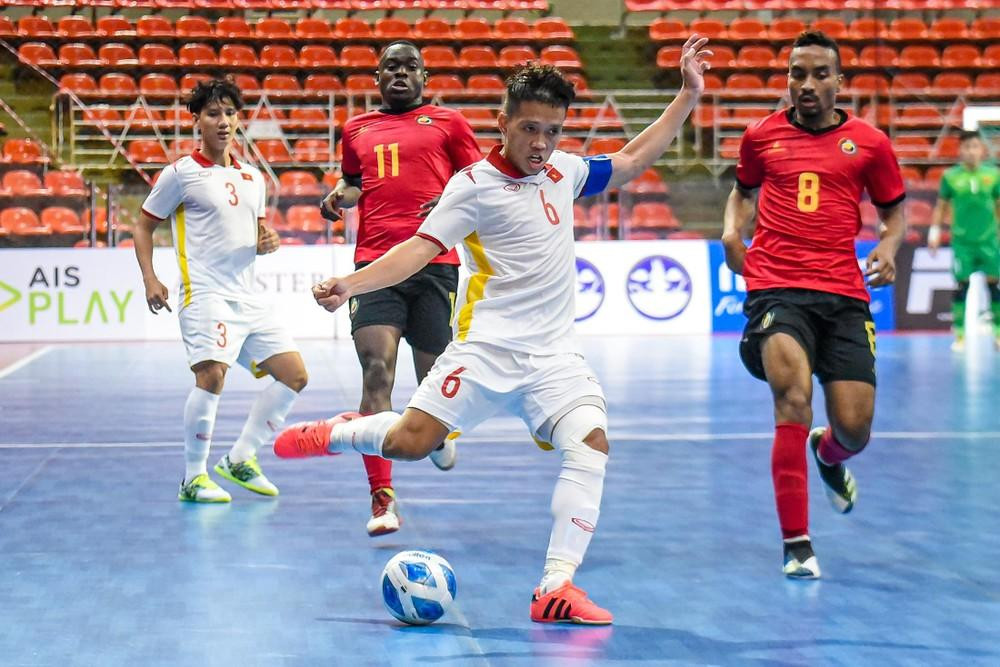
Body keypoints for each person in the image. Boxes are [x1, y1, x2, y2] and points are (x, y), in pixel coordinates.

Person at [272, 36, 710, 624]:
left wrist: (687, 95)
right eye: (529, 129)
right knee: (409, 444)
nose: (541, 144)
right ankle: (339, 432)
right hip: (484, 353)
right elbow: (418, 251)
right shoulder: (472, 187)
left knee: (591, 445)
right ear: (502, 124)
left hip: (554, 360)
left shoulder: (563, 171)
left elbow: (630, 161)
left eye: (553, 131)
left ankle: (555, 587)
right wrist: (351, 285)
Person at [721, 31, 906, 579]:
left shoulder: (870, 143)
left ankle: (828, 453)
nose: (806, 84)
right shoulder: (760, 136)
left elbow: (894, 212)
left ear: (838, 81)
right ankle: (797, 544)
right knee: (793, 400)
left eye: (819, 74)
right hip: (776, 286)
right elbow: (742, 191)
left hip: (843, 293)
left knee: (855, 430)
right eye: (796, 74)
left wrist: (889, 247)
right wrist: (732, 231)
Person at [320, 41, 483, 537]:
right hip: (374, 265)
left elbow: (479, 180)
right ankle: (382, 498)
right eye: (391, 66)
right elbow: (354, 182)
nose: (400, 73)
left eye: (411, 67)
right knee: (376, 371)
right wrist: (340, 195)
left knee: (432, 376)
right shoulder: (356, 129)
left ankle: (435, 435)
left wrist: (449, 199)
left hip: (435, 262)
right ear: (377, 77)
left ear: (424, 77)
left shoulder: (450, 123)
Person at [134, 78, 308, 503]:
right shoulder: (180, 174)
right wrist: (151, 278)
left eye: (230, 113)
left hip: (249, 297)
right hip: (205, 294)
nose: (224, 121)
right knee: (211, 375)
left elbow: (259, 231)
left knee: (294, 375)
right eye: (213, 113)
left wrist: (268, 239)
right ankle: (193, 478)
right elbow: (143, 225)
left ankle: (240, 458)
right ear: (197, 120)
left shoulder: (252, 176)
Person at [928, 130, 1000, 350]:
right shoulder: (950, 177)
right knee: (961, 286)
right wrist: (934, 231)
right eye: (967, 147)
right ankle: (960, 335)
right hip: (962, 243)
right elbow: (941, 206)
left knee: (994, 286)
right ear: (960, 150)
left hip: (989, 241)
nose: (971, 151)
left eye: (975, 146)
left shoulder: (993, 175)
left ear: (982, 150)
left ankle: (998, 333)